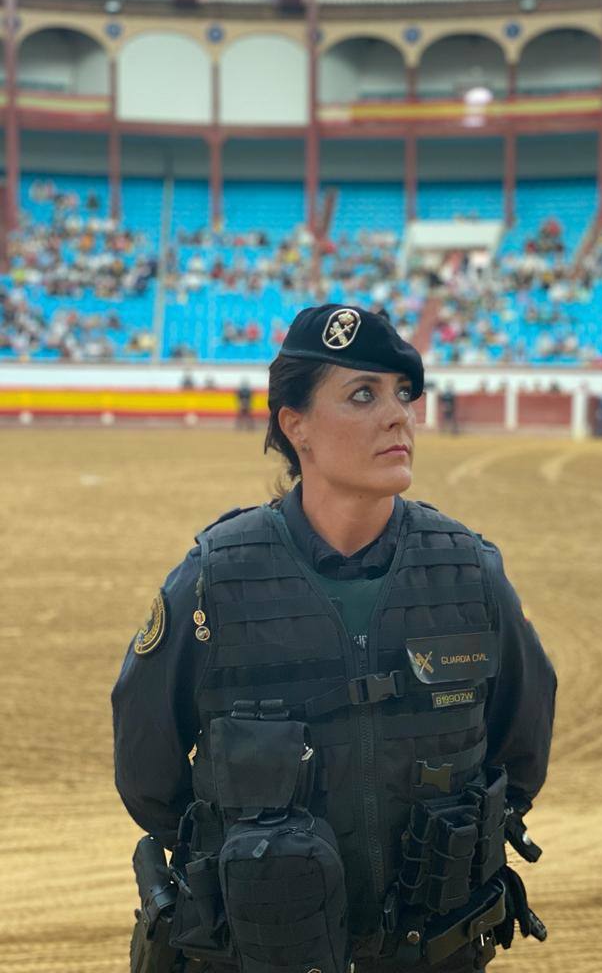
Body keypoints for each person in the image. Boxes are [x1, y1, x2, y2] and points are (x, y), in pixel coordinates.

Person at [113, 303, 557, 973]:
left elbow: (520, 752)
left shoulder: (468, 574)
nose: (397, 414)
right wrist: (263, 876)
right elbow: (149, 775)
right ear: (297, 426)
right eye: (362, 395)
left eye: (403, 394)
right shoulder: (214, 584)